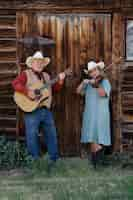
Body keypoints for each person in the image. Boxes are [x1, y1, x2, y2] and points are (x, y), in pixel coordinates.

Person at [12, 51, 66, 166]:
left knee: (51, 135)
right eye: (37, 62)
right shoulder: (25, 74)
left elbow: (54, 90)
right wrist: (28, 92)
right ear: (32, 64)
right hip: (31, 110)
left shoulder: (47, 76)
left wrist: (60, 80)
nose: (39, 64)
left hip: (45, 110)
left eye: (41, 62)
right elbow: (15, 84)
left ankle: (54, 161)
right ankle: (34, 163)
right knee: (32, 136)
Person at [76, 61, 111, 168]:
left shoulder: (104, 82)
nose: (93, 73)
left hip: (101, 115)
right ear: (89, 74)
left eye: (95, 70)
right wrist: (84, 83)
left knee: (99, 138)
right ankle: (96, 163)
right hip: (90, 115)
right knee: (91, 138)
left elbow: (103, 94)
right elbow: (78, 91)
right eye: (91, 72)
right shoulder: (89, 84)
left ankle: (98, 163)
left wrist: (95, 85)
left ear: (99, 70)